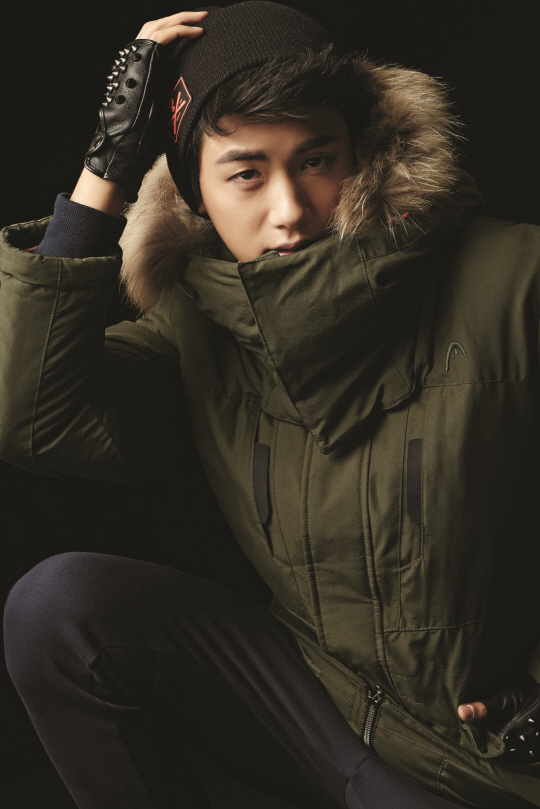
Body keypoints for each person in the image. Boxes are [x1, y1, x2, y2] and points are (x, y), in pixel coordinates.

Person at [2, 2, 540, 806]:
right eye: (246, 174)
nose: (288, 210)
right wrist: (105, 166)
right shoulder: (199, 321)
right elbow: (37, 416)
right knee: (60, 608)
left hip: (475, 757)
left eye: (316, 159)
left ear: (363, 152)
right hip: (315, 706)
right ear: (194, 193)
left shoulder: (515, 282)